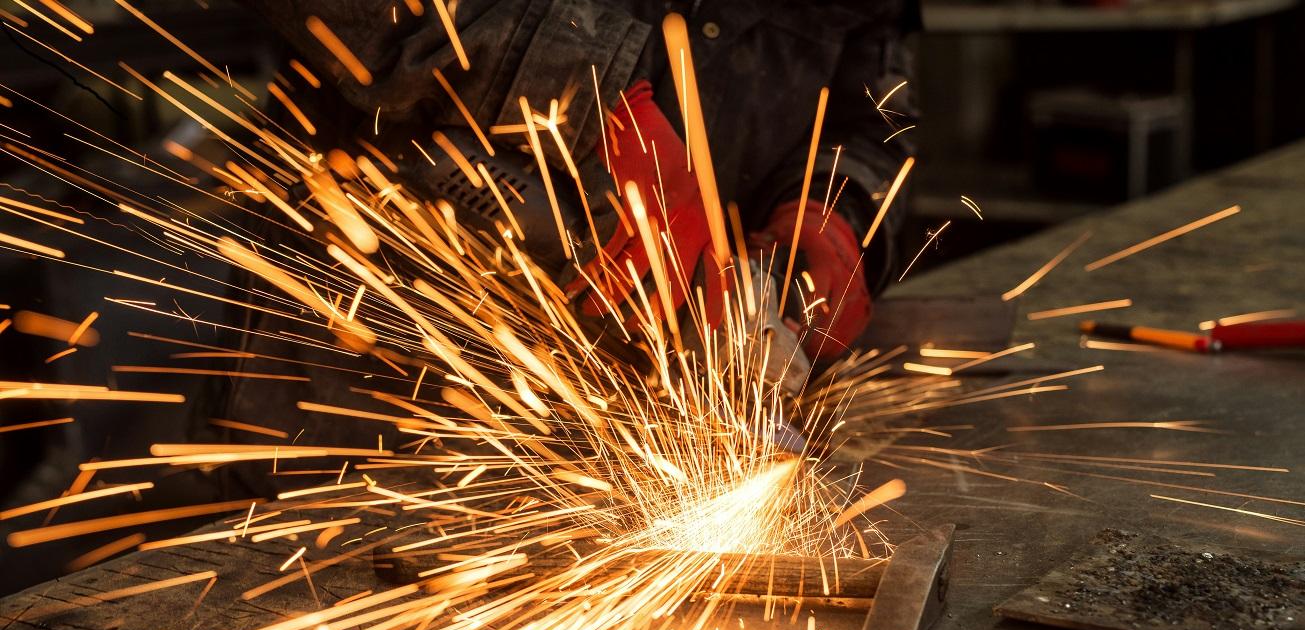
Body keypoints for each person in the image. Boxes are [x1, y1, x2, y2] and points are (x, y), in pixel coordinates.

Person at [222, 0, 920, 490]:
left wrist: (836, 206)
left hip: (636, 403)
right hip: (378, 360)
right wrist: (584, 94)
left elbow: (878, 98)